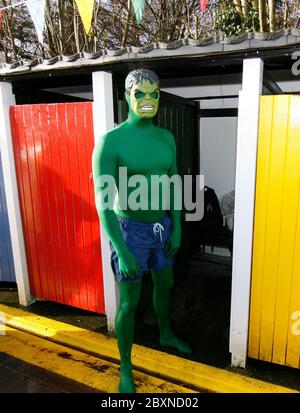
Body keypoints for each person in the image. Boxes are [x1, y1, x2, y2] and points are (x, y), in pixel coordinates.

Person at [92, 68, 191, 393]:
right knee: (129, 304)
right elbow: (103, 203)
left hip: (161, 228)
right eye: (140, 94)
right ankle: (125, 367)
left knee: (166, 285)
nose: (147, 100)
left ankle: (165, 333)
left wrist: (176, 227)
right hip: (129, 231)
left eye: (154, 94)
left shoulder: (166, 138)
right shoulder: (111, 142)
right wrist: (120, 249)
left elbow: (175, 186)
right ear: (127, 96)